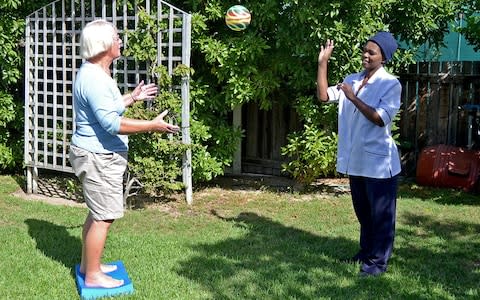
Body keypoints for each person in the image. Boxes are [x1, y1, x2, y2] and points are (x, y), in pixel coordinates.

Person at [69, 19, 179, 288]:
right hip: (98, 157)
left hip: (96, 154)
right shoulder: (95, 78)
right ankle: (93, 276)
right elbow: (111, 123)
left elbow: (105, 109)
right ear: (104, 44)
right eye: (116, 37)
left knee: (98, 213)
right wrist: (152, 126)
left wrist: (131, 98)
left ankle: (89, 265)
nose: (120, 41)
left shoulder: (95, 72)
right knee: (103, 216)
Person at [316, 31, 402, 276]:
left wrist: (353, 98)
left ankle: (377, 263)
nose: (365, 55)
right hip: (357, 162)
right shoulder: (351, 79)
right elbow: (323, 96)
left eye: (371, 52)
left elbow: (379, 118)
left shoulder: (390, 84)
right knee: (364, 214)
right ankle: (366, 253)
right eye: (364, 50)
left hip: (379, 164)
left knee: (381, 217)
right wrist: (323, 63)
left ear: (383, 58)